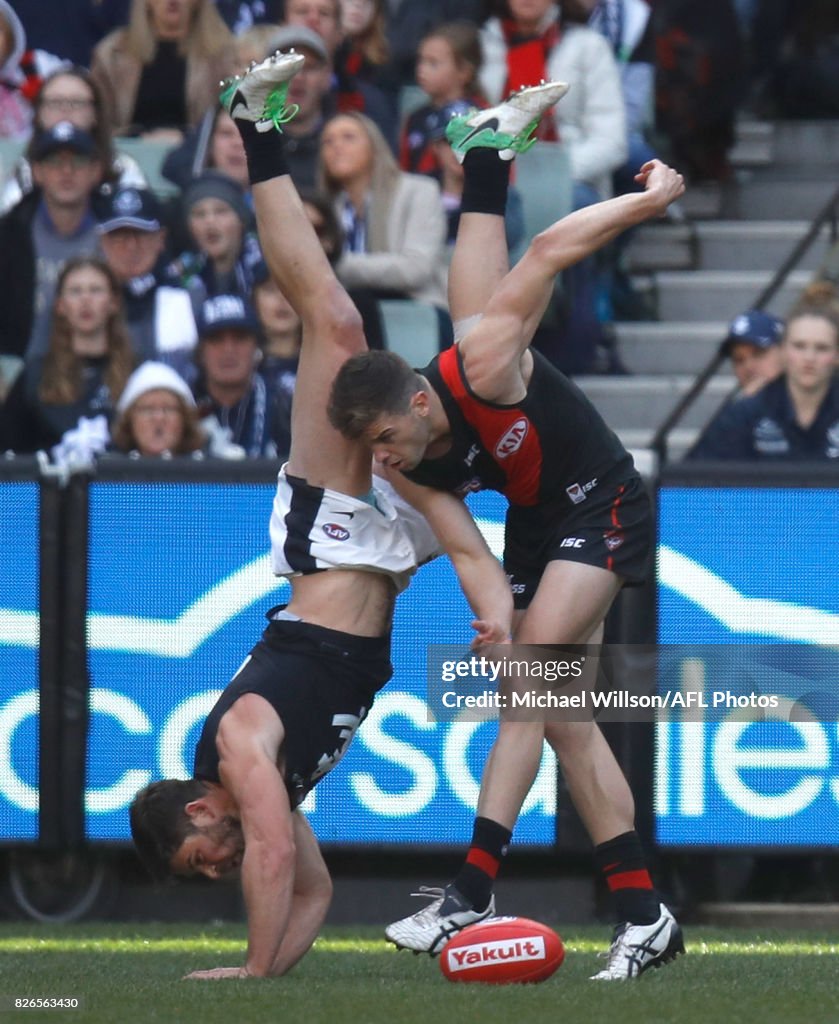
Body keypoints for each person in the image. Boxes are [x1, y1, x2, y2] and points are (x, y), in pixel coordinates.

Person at [128, 50, 517, 980]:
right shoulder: (262, 793)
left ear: (200, 812)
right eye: (209, 874)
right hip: (392, 562)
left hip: (335, 539)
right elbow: (312, 892)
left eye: (200, 858)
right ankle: (488, 160)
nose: (220, 867)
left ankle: (254, 125)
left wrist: (254, 975)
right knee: (490, 375)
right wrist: (270, 976)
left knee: (335, 325)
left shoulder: (235, 753)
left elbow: (268, 860)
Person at [327, 99, 686, 978]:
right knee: (563, 715)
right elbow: (466, 549)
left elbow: (550, 253)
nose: (380, 463)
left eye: (385, 441)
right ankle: (643, 913)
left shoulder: (484, 361)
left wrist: (648, 200)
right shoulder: (405, 456)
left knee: (531, 683)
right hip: (538, 528)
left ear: (416, 404)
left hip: (599, 500)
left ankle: (469, 892)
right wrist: (491, 612)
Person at [318, 111, 449, 334]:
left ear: (374, 146)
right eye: (328, 141)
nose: (336, 146)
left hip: (415, 309)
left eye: (348, 137)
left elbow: (416, 269)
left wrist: (336, 265)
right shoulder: (327, 208)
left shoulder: (419, 191)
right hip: (348, 314)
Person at [0, 256, 133, 461]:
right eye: (75, 291)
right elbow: (9, 451)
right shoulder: (35, 374)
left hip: (119, 489)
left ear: (113, 303)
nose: (85, 300)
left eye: (95, 290)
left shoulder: (137, 373)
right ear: (60, 306)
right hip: (51, 489)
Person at [685, 291, 839, 461]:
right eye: (799, 346)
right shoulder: (740, 414)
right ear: (784, 351)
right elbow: (694, 481)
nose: (809, 358)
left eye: (822, 348)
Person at [0, 120, 104, 362]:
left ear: (96, 171)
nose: (66, 171)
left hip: (102, 372)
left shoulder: (118, 232)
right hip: (22, 374)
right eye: (54, 162)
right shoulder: (8, 235)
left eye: (77, 162)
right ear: (37, 172)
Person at [0, 65, 147, 215]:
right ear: (39, 114)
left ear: (95, 113)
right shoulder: (24, 170)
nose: (66, 110)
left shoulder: (122, 167)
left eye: (77, 103)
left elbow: (139, 222)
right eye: (55, 103)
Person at [90, 0, 236, 140]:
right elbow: (99, 120)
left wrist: (187, 139)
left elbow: (231, 118)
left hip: (196, 156)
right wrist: (137, 138)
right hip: (126, 154)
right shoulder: (112, 54)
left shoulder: (223, 56)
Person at [97, 186, 198, 379]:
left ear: (160, 238)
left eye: (141, 234)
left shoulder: (191, 295)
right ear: (103, 242)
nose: (131, 246)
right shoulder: (89, 300)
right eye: (120, 236)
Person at [191, 292, 292, 460]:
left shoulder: (286, 405)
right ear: (200, 351)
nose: (228, 349)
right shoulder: (183, 405)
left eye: (239, 338)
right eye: (216, 339)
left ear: (257, 346)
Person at [172, 170, 262, 304]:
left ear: (241, 221)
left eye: (221, 211)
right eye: (199, 214)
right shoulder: (180, 276)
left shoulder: (264, 268)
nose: (210, 222)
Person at [109, 360, 206, 457]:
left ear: (185, 418)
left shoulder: (208, 469)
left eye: (169, 409)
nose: (158, 417)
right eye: (147, 409)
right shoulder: (108, 469)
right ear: (129, 420)